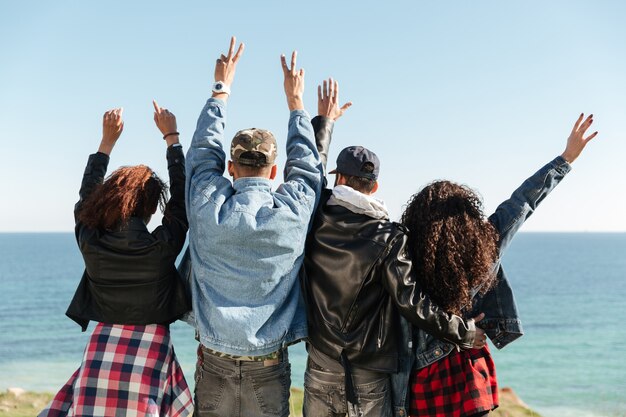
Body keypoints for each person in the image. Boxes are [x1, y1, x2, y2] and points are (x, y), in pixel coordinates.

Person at [301, 88, 486, 417]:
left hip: (321, 364)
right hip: (369, 374)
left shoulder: (314, 216)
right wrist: (464, 332)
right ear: (374, 186)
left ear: (340, 178)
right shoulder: (389, 237)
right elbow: (412, 303)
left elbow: (309, 176)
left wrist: (325, 123)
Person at [399, 114, 598, 417]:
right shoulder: (487, 243)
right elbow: (522, 203)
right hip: (471, 377)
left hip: (426, 379)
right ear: (467, 215)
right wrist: (567, 158)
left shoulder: (405, 254)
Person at [185, 37, 324, 417]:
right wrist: (296, 103)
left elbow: (200, 154)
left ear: (230, 167)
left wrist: (221, 89)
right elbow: (310, 168)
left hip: (214, 360)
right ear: (275, 171)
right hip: (268, 365)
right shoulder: (291, 210)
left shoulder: (205, 203)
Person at [39, 102, 193, 417]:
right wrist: (171, 138)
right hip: (151, 344)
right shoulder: (161, 247)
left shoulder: (91, 242)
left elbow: (85, 200)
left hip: (103, 342)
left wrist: (106, 143)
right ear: (152, 208)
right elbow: (181, 197)